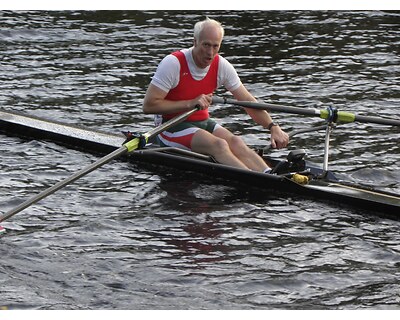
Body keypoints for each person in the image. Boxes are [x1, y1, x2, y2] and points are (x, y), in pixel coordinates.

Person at [143, 17, 289, 173]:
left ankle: (269, 174)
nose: (210, 53)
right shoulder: (173, 63)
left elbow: (247, 101)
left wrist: (272, 127)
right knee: (219, 145)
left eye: (215, 46)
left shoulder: (221, 66)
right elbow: (149, 105)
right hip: (169, 126)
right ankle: (258, 180)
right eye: (206, 45)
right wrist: (189, 103)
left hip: (201, 122)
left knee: (236, 142)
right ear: (195, 42)